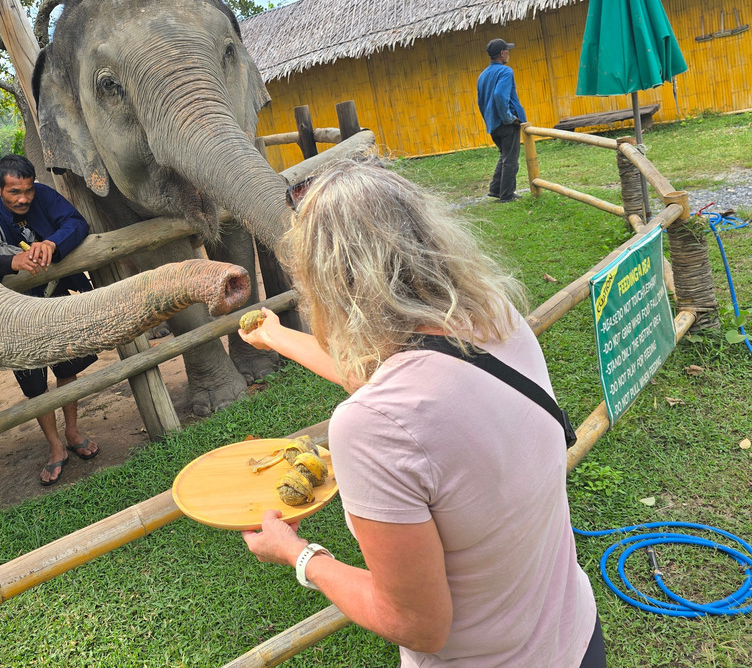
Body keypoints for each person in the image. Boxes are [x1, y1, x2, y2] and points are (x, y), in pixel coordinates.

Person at [239, 160, 604, 668]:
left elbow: (417, 625)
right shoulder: (496, 319)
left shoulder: (371, 426)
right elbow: (383, 375)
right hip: (577, 637)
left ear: (325, 282)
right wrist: (275, 335)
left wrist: (300, 556)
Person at [0, 154, 100, 486]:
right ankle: (55, 446)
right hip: (12, 313)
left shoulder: (44, 196)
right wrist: (10, 263)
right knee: (35, 384)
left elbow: (76, 223)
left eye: (28, 190)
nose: (23, 199)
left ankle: (73, 432)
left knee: (67, 368)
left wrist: (53, 242)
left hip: (54, 301)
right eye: (14, 192)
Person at [477, 37, 528, 203]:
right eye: (507, 51)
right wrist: (508, 118)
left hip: (493, 124)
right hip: (506, 123)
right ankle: (506, 195)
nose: (509, 53)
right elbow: (499, 95)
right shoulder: (505, 72)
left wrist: (490, 120)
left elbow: (481, 102)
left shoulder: (483, 76)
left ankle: (495, 189)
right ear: (502, 53)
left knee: (504, 156)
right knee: (510, 160)